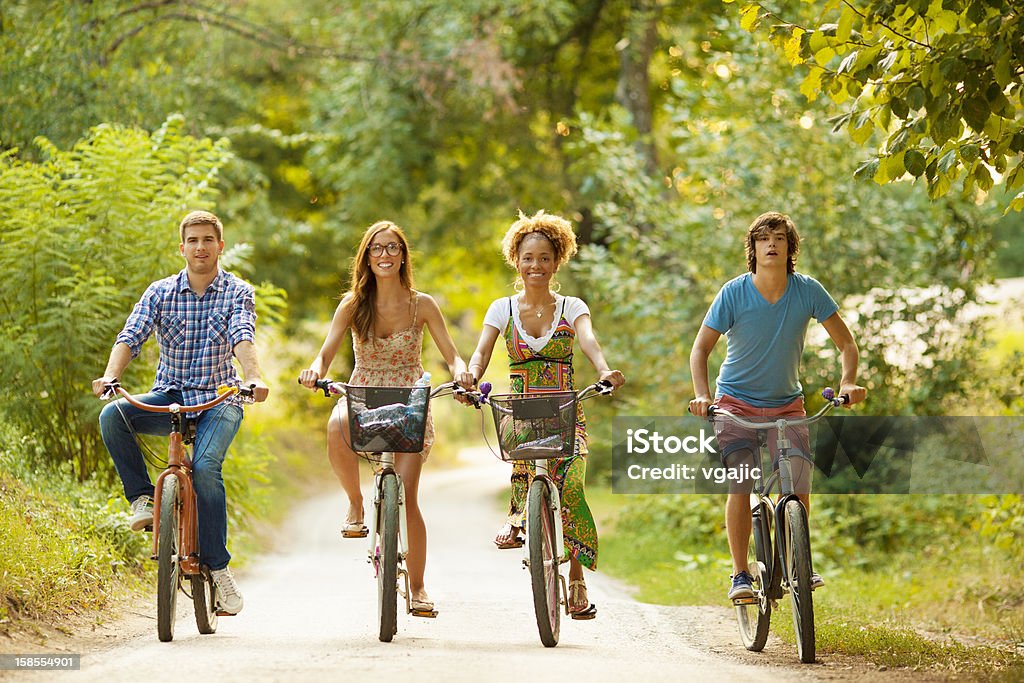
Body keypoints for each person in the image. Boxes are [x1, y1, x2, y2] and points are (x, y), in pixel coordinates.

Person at [92, 210, 270, 616]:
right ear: (182, 247)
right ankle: (142, 500)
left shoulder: (237, 291)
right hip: (169, 396)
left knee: (206, 467)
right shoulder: (159, 292)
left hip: (218, 400)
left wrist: (254, 377)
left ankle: (219, 568)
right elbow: (130, 335)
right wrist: (109, 377)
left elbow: (243, 335)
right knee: (113, 416)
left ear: (220, 245)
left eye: (208, 239)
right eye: (193, 240)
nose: (200, 247)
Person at [688, 211, 867, 601]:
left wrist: (848, 382)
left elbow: (846, 344)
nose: (772, 245)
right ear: (753, 249)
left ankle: (798, 562)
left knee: (800, 485)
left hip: (788, 405)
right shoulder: (733, 292)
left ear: (790, 248)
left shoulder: (808, 291)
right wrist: (703, 395)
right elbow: (701, 349)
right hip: (735, 403)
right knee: (741, 485)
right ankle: (740, 575)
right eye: (764, 239)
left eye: (780, 239)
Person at [298, 220, 471, 615]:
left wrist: (460, 371)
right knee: (336, 424)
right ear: (367, 257)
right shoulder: (352, 304)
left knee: (409, 497)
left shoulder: (422, 304)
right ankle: (356, 505)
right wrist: (315, 371)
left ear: (403, 255)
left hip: (410, 396)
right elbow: (324, 354)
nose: (385, 255)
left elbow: (452, 353)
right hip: (365, 393)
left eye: (393, 248)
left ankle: (420, 587)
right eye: (377, 249)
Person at [461, 210, 625, 619]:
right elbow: (481, 351)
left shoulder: (572, 305)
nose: (536, 266)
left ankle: (576, 580)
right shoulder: (502, 309)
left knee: (571, 487)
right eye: (528, 257)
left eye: (545, 258)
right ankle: (518, 515)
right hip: (521, 413)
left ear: (557, 261)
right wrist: (470, 377)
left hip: (566, 410)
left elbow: (588, 340)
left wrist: (604, 371)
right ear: (516, 259)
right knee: (522, 465)